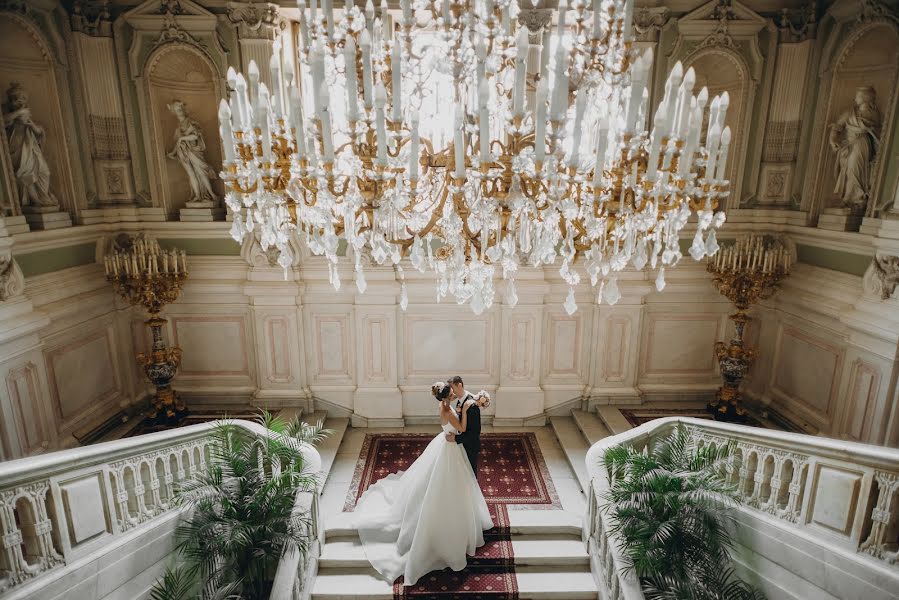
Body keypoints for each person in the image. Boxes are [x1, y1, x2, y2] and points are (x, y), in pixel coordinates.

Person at [353, 381, 493, 586]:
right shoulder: (450, 411)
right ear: (447, 396)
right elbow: (462, 428)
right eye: (452, 391)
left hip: (443, 441)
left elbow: (451, 408)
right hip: (450, 447)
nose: (455, 392)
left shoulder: (442, 406)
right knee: (449, 485)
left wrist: (463, 404)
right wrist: (469, 408)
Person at [446, 376, 482, 476]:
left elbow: (475, 433)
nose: (451, 392)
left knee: (470, 474)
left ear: (460, 385)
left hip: (470, 446)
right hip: (463, 444)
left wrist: (456, 438)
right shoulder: (460, 400)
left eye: (452, 388)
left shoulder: (472, 405)